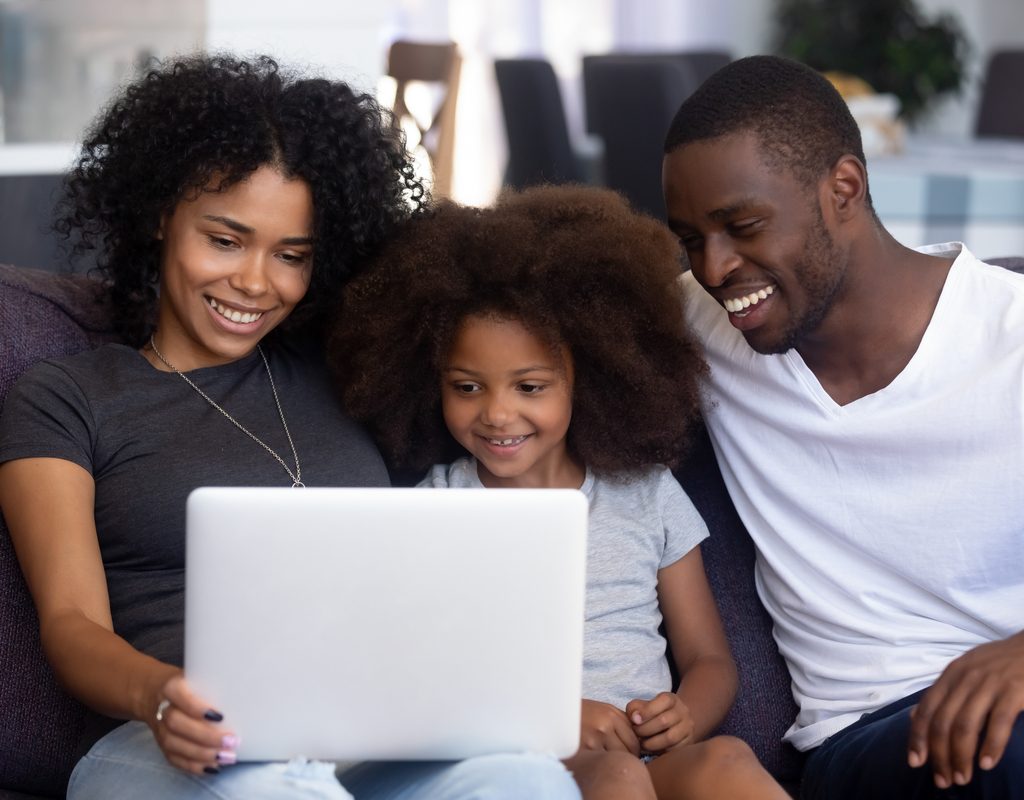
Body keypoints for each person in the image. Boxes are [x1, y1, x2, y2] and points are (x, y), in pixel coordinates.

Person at [0, 54, 580, 800]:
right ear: (160, 216)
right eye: (225, 240)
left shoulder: (349, 373)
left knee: (527, 778)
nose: (254, 282)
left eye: (291, 256)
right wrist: (160, 696)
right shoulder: (69, 398)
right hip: (168, 745)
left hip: (365, 736)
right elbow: (71, 623)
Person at [330, 184, 791, 800]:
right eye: (467, 387)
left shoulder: (647, 494)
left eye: (530, 387)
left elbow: (710, 660)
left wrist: (685, 715)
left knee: (727, 759)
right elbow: (418, 682)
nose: (497, 413)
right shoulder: (434, 511)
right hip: (522, 766)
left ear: (590, 375)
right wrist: (552, 721)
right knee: (618, 776)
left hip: (649, 758)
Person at [661, 54, 1024, 799]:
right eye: (691, 239)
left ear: (844, 189)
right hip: (865, 733)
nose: (714, 267)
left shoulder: (1010, 337)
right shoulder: (698, 325)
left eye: (743, 226)